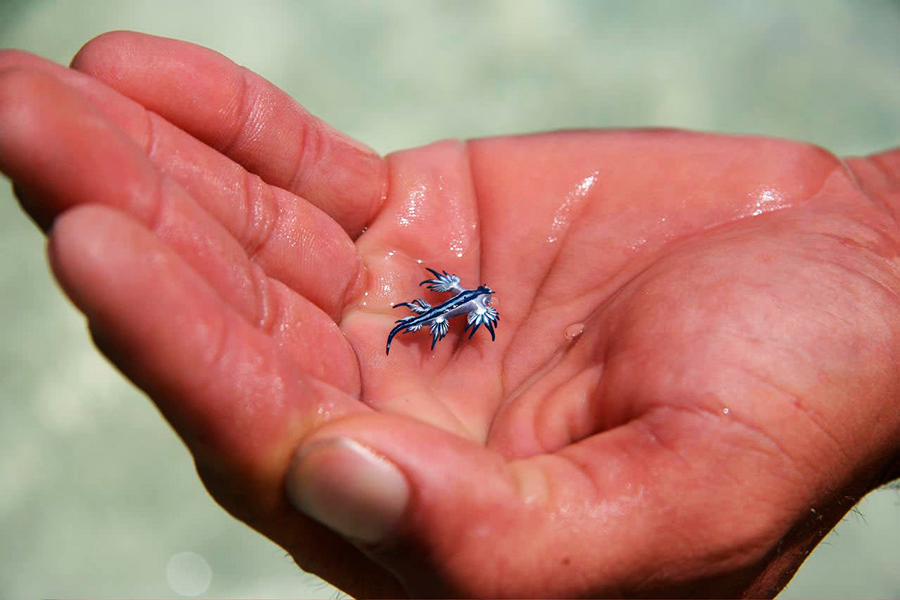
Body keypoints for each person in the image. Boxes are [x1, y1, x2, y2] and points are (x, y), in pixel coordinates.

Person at [1, 31, 898, 598]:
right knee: (416, 320)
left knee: (421, 323)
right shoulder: (452, 302)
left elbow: (469, 313)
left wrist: (875, 235)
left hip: (455, 303)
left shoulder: (468, 308)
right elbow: (450, 303)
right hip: (450, 300)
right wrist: (874, 217)